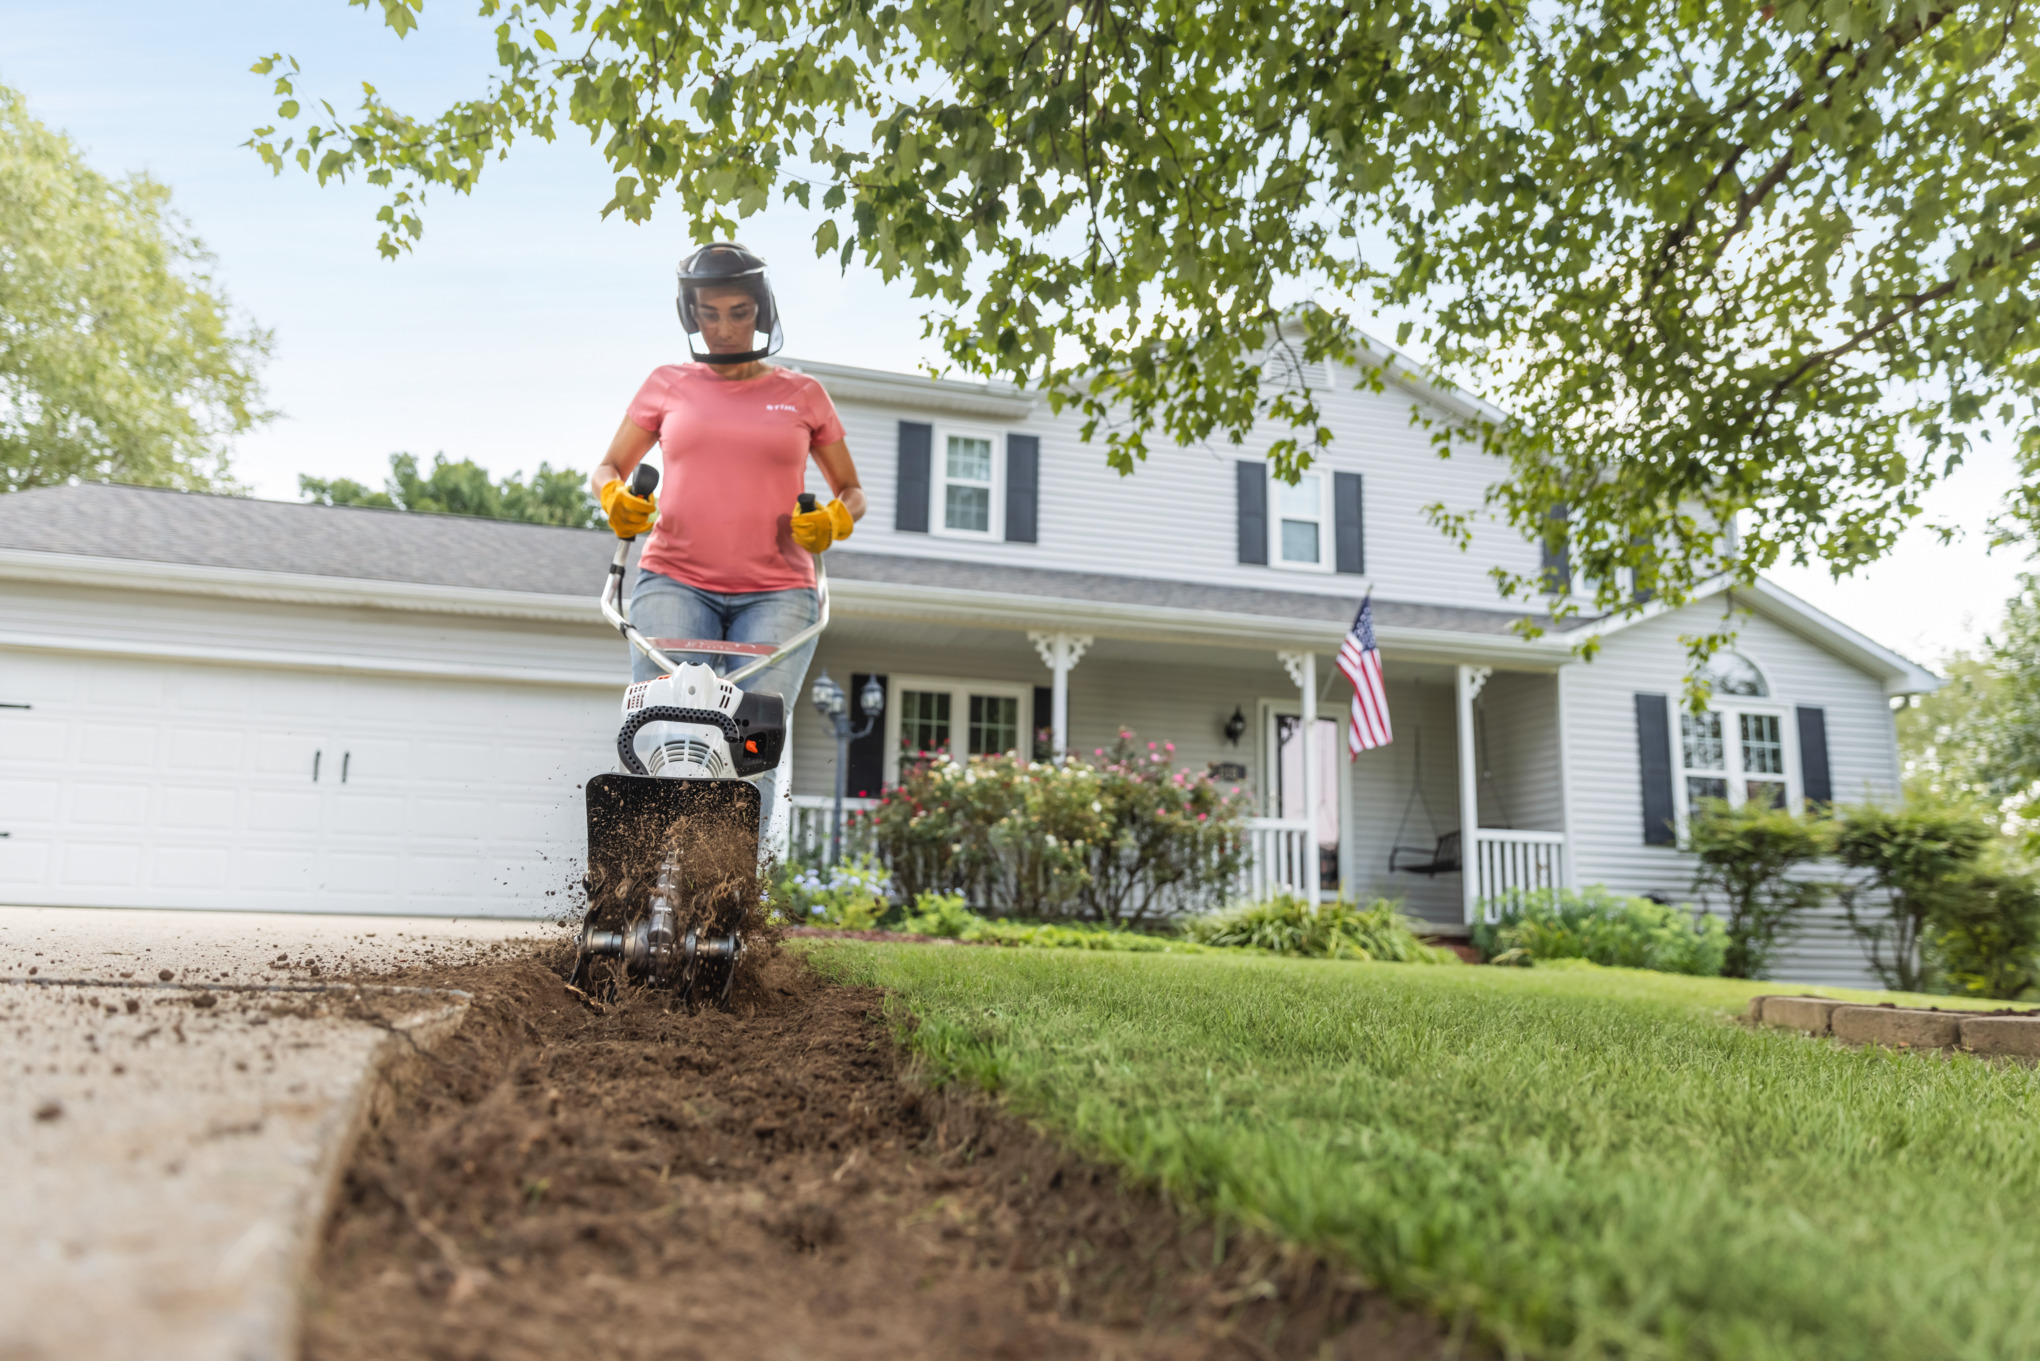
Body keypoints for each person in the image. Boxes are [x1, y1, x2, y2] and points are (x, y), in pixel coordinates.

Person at [590, 242, 865, 823]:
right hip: (675, 580)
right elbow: (607, 468)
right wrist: (614, 498)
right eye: (709, 314)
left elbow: (852, 492)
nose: (724, 328)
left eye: (739, 312)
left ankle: (728, 901)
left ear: (761, 311)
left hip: (779, 594)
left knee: (749, 745)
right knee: (661, 724)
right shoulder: (666, 384)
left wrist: (834, 519)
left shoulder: (803, 394)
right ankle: (647, 882)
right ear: (691, 315)